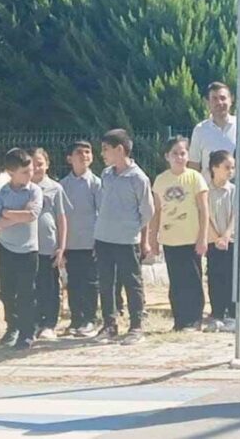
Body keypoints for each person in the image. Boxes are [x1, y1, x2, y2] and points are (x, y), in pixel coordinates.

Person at [94, 129, 154, 346]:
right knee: (106, 282)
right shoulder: (106, 174)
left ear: (120, 150)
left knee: (132, 282)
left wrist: (133, 229)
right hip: (103, 237)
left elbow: (148, 211)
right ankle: (109, 324)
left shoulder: (138, 178)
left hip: (127, 240)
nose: (103, 154)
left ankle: (136, 325)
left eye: (106, 149)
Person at [149, 136, 209, 333]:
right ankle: (180, 319)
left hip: (191, 239)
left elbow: (204, 210)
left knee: (192, 279)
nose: (179, 157)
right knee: (176, 282)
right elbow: (156, 212)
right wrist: (153, 239)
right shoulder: (161, 180)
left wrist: (202, 238)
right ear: (167, 156)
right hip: (170, 239)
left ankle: (194, 320)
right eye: (175, 153)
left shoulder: (195, 178)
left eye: (182, 153)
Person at [0, 148, 43, 350]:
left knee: (26, 292)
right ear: (11, 172)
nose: (30, 175)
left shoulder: (34, 190)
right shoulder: (1, 192)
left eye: (30, 170)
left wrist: (8, 213)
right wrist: (15, 216)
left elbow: (31, 215)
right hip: (6, 248)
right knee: (8, 292)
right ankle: (12, 327)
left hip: (28, 250)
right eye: (24, 172)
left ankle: (27, 332)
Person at [61, 141, 102, 338]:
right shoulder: (63, 185)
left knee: (91, 282)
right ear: (69, 158)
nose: (84, 156)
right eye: (79, 152)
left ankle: (90, 319)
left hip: (90, 242)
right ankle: (76, 319)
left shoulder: (96, 183)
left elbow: (102, 213)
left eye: (88, 152)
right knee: (74, 282)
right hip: (70, 243)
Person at [30, 148, 70, 340]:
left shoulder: (55, 188)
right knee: (31, 287)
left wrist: (61, 247)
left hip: (49, 247)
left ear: (47, 165)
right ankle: (33, 321)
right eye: (32, 164)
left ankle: (49, 324)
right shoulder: (22, 188)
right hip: (27, 248)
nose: (37, 168)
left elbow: (61, 219)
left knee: (50, 286)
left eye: (40, 163)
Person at [188, 81, 240, 176]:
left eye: (223, 98)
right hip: (209, 189)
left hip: (238, 189)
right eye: (214, 99)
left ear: (231, 100)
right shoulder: (200, 130)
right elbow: (194, 166)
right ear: (207, 102)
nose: (219, 102)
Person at [205, 150, 236, 331]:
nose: (230, 171)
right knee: (215, 276)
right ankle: (216, 313)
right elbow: (205, 215)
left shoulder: (233, 190)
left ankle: (231, 314)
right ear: (214, 168)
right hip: (212, 240)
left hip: (231, 240)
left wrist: (226, 236)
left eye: (232, 168)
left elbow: (235, 214)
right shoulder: (206, 190)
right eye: (226, 167)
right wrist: (216, 237)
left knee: (231, 276)